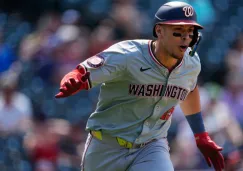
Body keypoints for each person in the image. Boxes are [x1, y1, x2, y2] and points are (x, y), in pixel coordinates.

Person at [55, 1, 224, 171]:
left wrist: (200, 135)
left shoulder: (192, 63)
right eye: (178, 31)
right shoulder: (128, 54)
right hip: (107, 145)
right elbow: (83, 72)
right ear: (159, 31)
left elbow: (189, 90)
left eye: (191, 31)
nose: (186, 38)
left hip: (151, 146)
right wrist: (74, 78)